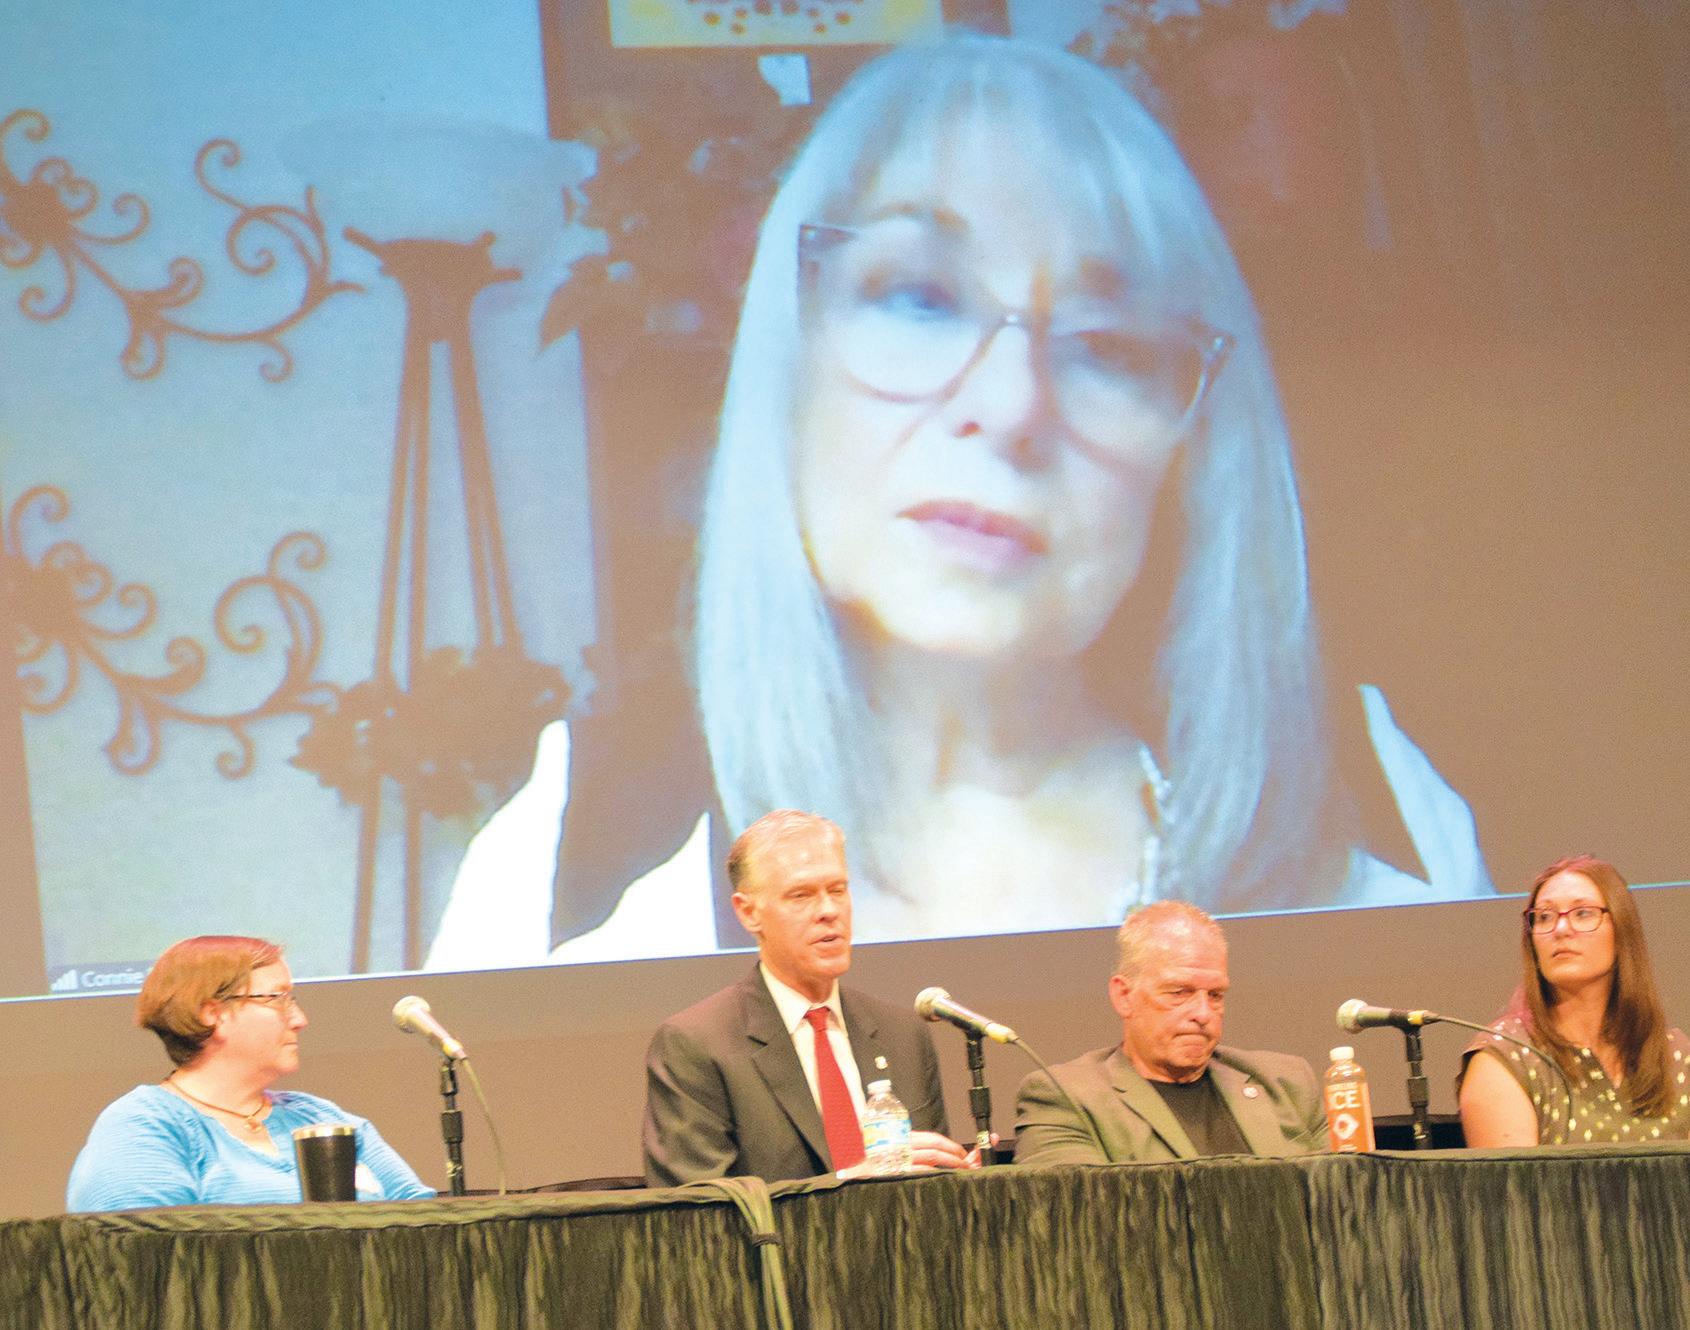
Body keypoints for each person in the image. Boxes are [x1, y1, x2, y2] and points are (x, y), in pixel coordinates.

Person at [426, 31, 1490, 971]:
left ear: (1190, 451)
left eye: (1109, 346)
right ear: (788, 365)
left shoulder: (1377, 823)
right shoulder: (571, 867)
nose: (1011, 404)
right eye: (920, 296)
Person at [641, 809, 970, 1186]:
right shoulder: (696, 1046)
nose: (829, 911)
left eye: (838, 890)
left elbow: (930, 1188)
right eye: (801, 895)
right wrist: (847, 1182)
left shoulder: (903, 1036)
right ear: (748, 913)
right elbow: (697, 1209)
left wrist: (963, 1179)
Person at [67, 935, 432, 1210]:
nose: (299, 1019)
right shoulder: (146, 1124)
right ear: (213, 1013)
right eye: (277, 999)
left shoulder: (322, 1117)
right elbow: (145, 1261)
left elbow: (427, 1227)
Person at [1014, 900, 1324, 1164]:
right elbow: (1073, 1209)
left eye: (1215, 995)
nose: (1203, 1014)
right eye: (1179, 992)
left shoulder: (1286, 1084)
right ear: (1124, 996)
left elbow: (1341, 1196)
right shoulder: (1067, 1099)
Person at [1458, 855, 1690, 1147]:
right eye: (1545, 916)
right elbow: (1514, 1178)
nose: (1561, 929)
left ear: (1621, 930)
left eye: (1582, 913)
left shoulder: (1674, 1055)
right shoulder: (1505, 1059)